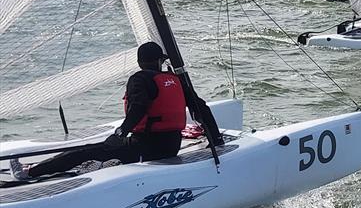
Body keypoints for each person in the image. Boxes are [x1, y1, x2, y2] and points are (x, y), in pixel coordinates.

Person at [10, 42, 222, 181]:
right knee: (103, 151)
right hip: (171, 146)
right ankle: (38, 167)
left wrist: (120, 133)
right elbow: (200, 108)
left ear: (140, 63)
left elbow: (139, 107)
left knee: (85, 151)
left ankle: (29, 173)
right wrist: (216, 139)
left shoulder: (140, 79)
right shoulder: (175, 81)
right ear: (159, 62)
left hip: (147, 147)